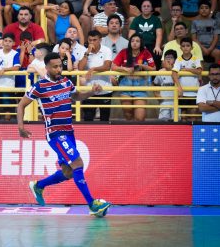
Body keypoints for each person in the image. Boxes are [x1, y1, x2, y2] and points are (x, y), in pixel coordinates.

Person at [17, 52, 111, 217]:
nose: (59, 69)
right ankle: (92, 204)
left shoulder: (66, 82)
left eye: (60, 66)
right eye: (55, 67)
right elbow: (21, 105)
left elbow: (77, 97)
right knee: (77, 162)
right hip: (55, 133)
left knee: (68, 172)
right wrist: (20, 126)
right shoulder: (39, 86)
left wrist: (91, 92)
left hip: (69, 131)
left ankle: (38, 185)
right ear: (46, 68)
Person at [112, 34, 156, 121]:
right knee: (128, 114)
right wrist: (124, 69)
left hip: (140, 87)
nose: (134, 43)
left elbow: (153, 68)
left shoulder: (146, 53)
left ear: (141, 43)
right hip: (125, 85)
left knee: (140, 118)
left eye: (137, 41)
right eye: (132, 41)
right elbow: (113, 66)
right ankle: (131, 133)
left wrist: (142, 66)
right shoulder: (123, 52)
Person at [78, 30, 113, 121]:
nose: (92, 42)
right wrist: (87, 53)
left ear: (100, 40)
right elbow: (80, 68)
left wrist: (93, 69)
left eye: (95, 40)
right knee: (88, 118)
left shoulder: (106, 50)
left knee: (104, 119)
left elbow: (107, 66)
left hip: (105, 89)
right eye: (90, 40)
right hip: (89, 90)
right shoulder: (85, 51)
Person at [172, 37, 202, 121]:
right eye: (183, 46)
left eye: (188, 45)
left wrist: (186, 69)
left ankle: (193, 134)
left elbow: (199, 71)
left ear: (192, 47)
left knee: (193, 116)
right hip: (183, 93)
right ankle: (183, 134)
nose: (185, 47)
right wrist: (179, 87)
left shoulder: (196, 59)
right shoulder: (178, 59)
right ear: (180, 48)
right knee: (183, 117)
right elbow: (174, 73)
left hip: (194, 93)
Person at [153, 49, 181, 121]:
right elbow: (155, 84)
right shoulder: (160, 72)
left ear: (175, 60)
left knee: (176, 123)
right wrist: (157, 94)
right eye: (166, 58)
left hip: (176, 101)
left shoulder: (179, 71)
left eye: (171, 58)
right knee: (163, 123)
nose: (168, 60)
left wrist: (171, 69)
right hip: (164, 102)